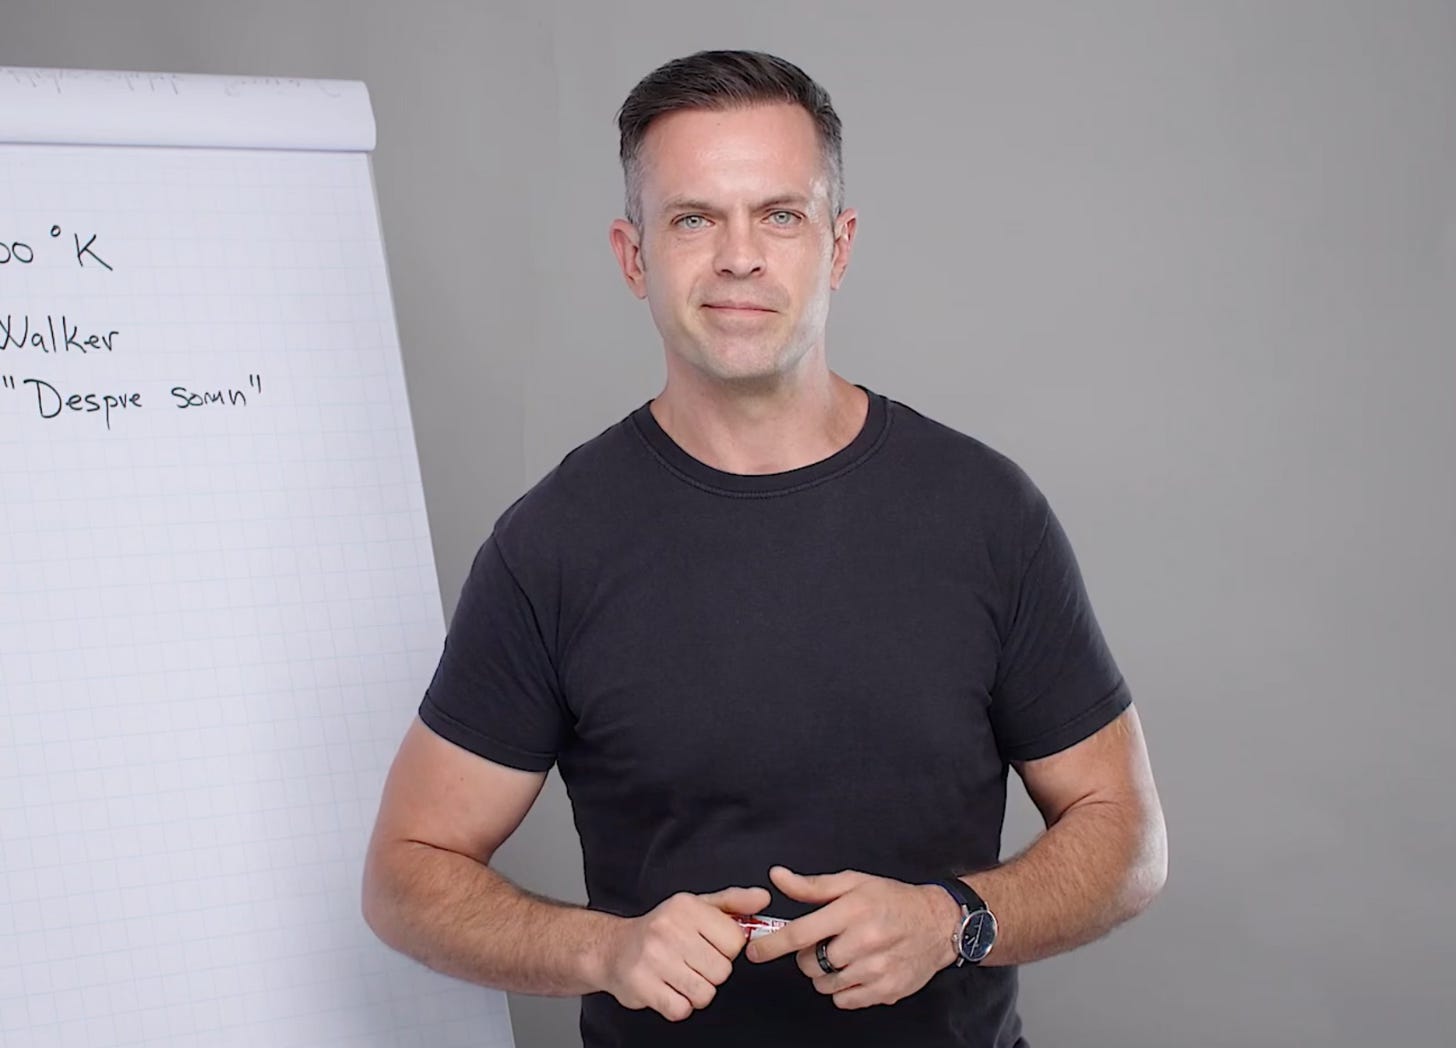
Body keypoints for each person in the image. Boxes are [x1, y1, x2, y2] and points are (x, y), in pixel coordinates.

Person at [362, 49, 1167, 1048]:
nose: (738, 256)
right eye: (693, 219)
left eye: (779, 215)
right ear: (632, 255)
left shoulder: (984, 513)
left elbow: (1126, 835)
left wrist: (953, 920)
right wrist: (604, 951)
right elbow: (405, 874)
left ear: (838, 244)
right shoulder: (553, 547)